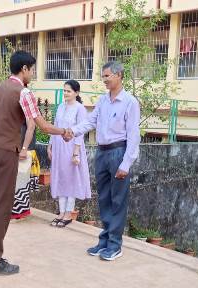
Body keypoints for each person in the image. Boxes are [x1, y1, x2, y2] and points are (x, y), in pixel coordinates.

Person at [0, 50, 68, 276]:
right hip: (7, 150)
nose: (33, 73)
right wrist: (65, 131)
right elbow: (41, 125)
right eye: (32, 69)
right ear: (24, 69)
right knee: (1, 204)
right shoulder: (24, 92)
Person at [65, 61, 140, 261]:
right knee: (104, 198)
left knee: (118, 200)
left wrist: (126, 163)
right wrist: (72, 131)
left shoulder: (130, 102)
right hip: (102, 153)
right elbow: (91, 122)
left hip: (118, 152)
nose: (104, 79)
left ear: (119, 75)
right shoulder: (103, 101)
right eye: (103, 76)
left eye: (107, 76)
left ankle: (115, 244)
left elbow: (134, 135)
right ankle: (105, 240)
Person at [48, 80, 91, 227]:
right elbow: (55, 127)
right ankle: (61, 212)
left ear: (76, 93)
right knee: (60, 177)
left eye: (69, 91)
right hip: (59, 147)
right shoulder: (60, 107)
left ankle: (68, 213)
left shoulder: (80, 109)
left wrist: (76, 153)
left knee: (71, 179)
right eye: (64, 90)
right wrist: (50, 146)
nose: (65, 93)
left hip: (72, 147)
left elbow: (81, 132)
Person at [10, 119, 39, 220]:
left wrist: (24, 148)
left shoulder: (27, 104)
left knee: (20, 184)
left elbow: (31, 127)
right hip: (14, 148)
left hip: (24, 150)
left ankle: (19, 213)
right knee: (13, 182)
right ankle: (13, 211)